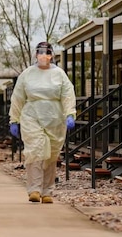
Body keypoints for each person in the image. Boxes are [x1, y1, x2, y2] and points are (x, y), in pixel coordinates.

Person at [9, 41, 76, 203]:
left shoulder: (59, 74)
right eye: (40, 53)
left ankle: (47, 191)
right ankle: (34, 189)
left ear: (51, 55)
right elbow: (18, 97)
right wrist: (14, 119)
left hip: (55, 118)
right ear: (36, 54)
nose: (43, 56)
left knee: (51, 155)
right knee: (36, 151)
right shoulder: (27, 74)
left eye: (47, 53)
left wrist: (70, 113)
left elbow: (67, 94)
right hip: (32, 116)